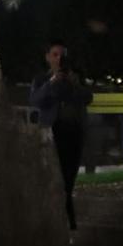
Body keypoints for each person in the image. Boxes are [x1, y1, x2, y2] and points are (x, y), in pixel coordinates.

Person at [28, 39, 93, 230]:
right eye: (55, 55)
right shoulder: (42, 79)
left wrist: (74, 83)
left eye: (62, 55)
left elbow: (87, 97)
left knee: (67, 179)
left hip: (72, 132)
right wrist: (52, 82)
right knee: (52, 179)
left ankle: (66, 224)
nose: (59, 59)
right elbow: (36, 100)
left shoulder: (76, 76)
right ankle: (60, 223)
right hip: (51, 132)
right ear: (48, 57)